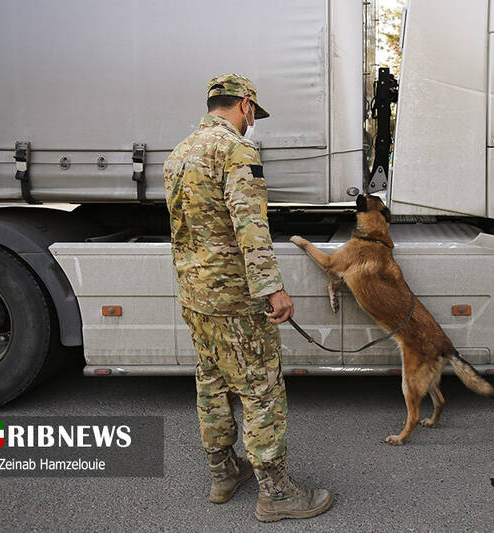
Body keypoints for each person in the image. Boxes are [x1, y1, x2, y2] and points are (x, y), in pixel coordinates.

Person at [163, 74, 333, 522]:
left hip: (196, 295)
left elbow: (182, 233)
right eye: (253, 113)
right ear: (246, 106)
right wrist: (272, 288)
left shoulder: (178, 154)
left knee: (212, 381)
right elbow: (250, 226)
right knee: (261, 389)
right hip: (236, 299)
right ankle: (276, 493)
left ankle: (223, 474)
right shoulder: (236, 150)